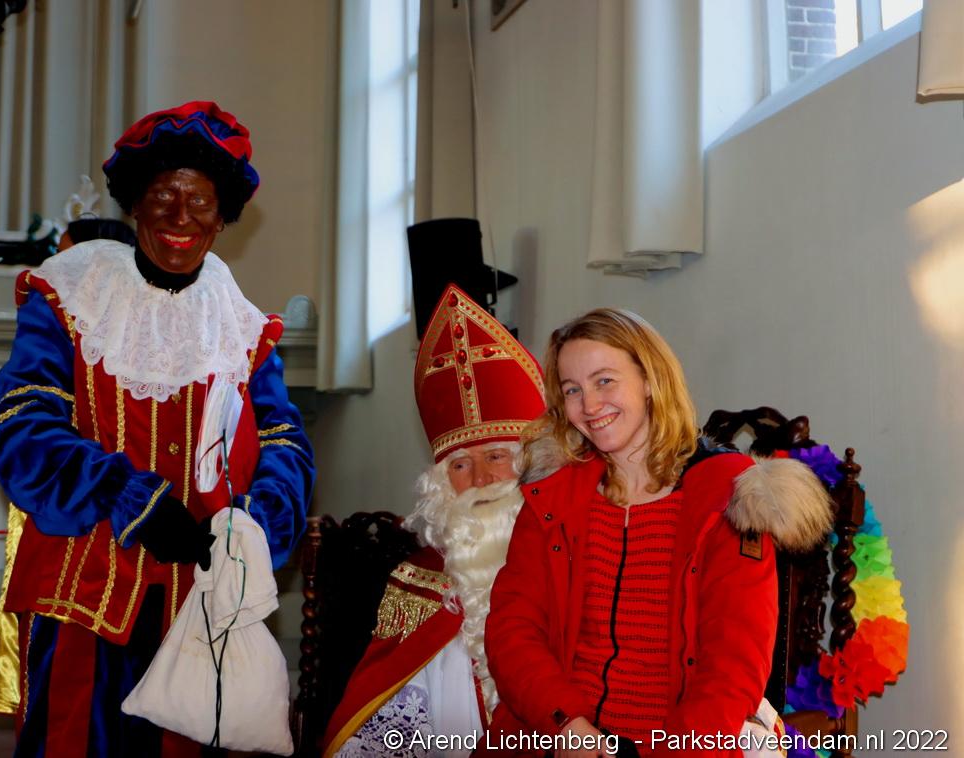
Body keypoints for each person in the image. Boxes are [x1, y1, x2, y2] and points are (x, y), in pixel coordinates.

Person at [0, 101, 315, 757]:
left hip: (201, 605)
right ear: (136, 204)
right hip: (82, 595)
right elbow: (21, 424)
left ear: (223, 218)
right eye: (163, 196)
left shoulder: (246, 332)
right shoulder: (68, 300)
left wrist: (253, 523)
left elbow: (285, 444)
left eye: (201, 202)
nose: (181, 216)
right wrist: (124, 494)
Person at [482, 308, 833, 758]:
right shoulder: (552, 496)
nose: (589, 405)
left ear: (650, 380)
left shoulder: (727, 499)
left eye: (604, 381)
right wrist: (566, 725)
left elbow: (733, 667)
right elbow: (512, 630)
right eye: (572, 389)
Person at [322, 284, 546, 757]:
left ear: (532, 465)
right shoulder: (419, 583)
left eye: (497, 456)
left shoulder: (576, 558)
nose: (481, 479)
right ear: (441, 484)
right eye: (460, 465)